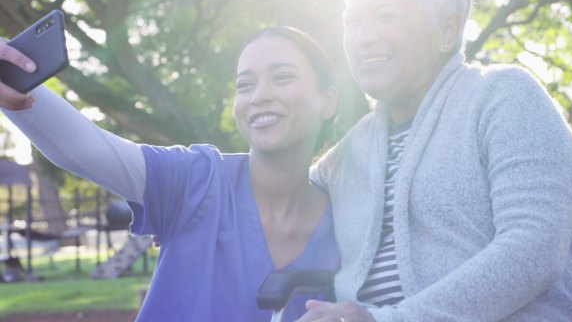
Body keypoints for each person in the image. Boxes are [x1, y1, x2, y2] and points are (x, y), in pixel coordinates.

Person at [298, 0, 572, 321]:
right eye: (353, 21)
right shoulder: (350, 152)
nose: (363, 36)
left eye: (385, 16)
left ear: (447, 29)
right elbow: (274, 198)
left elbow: (535, 249)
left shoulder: (504, 97)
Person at [0, 26, 340, 321]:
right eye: (245, 84)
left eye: (282, 77)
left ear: (328, 101)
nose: (260, 96)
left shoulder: (351, 225)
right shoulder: (196, 181)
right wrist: (8, 74)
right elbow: (83, 147)